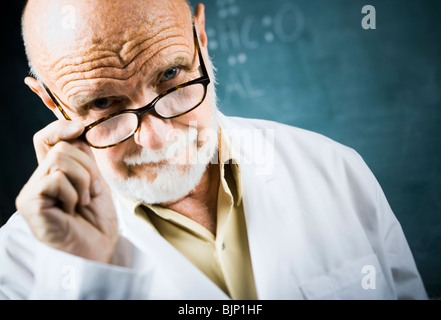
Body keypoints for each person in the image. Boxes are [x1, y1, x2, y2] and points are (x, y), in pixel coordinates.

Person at [0, 0, 428, 300]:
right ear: (52, 103)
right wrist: (85, 273)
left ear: (201, 38)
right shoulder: (17, 265)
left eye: (171, 75)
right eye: (102, 104)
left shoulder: (335, 171)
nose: (157, 140)